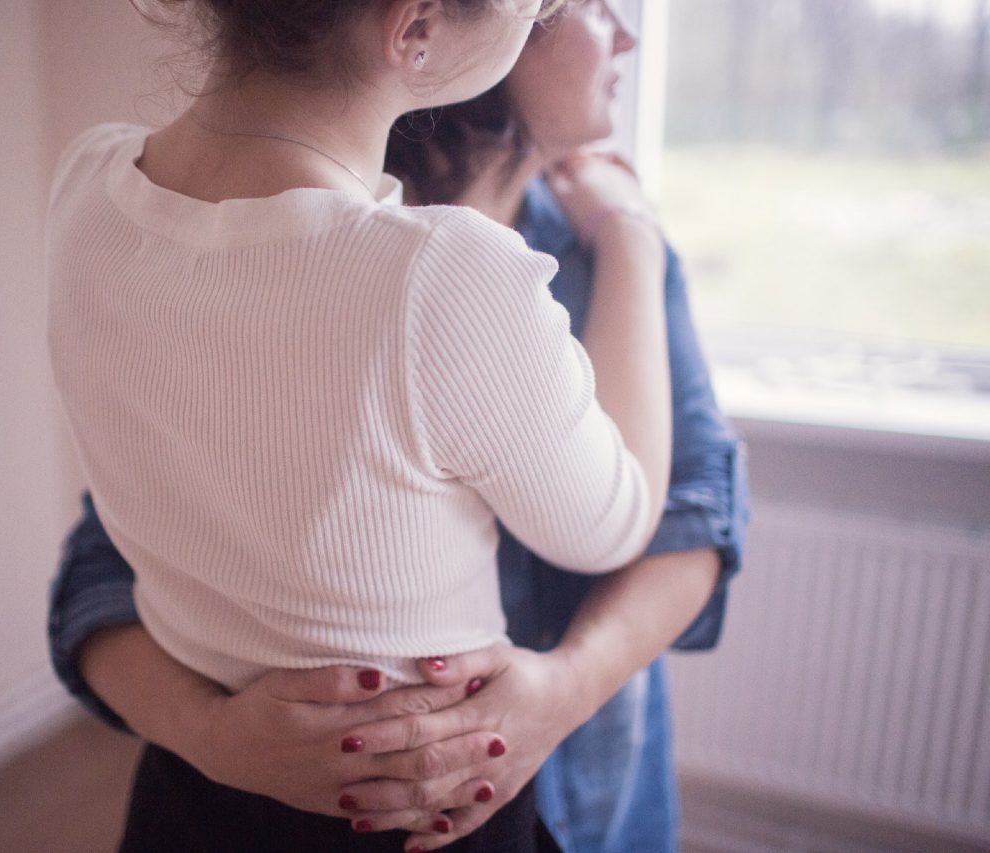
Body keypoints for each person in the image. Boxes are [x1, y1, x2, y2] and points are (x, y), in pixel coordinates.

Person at [47, 1, 703, 850]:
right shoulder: (445, 273)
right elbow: (614, 523)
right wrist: (636, 238)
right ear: (416, 25)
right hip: (412, 810)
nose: (543, 11)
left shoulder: (86, 179)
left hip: (194, 801)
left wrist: (209, 733)